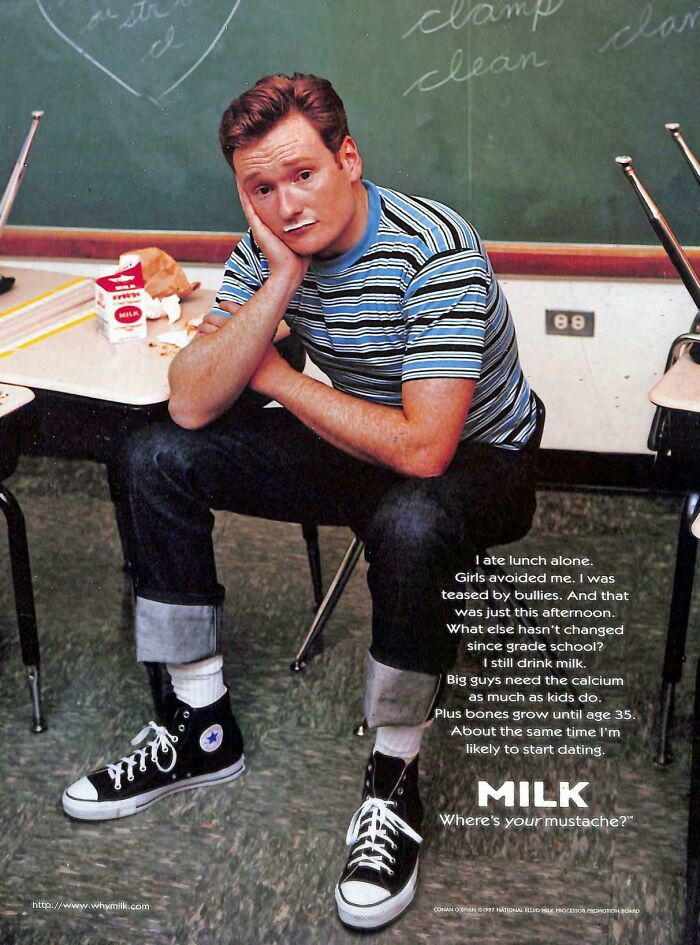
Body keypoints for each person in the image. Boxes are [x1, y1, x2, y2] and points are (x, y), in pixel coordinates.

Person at [61, 73, 542, 930]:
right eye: (261, 189)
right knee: (153, 454)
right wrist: (281, 278)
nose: (286, 204)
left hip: (480, 461)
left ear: (348, 159)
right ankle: (198, 724)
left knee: (413, 516)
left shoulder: (437, 250)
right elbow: (191, 403)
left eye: (304, 176)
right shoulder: (272, 243)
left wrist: (276, 373)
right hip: (363, 439)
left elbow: (426, 448)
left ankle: (393, 780)